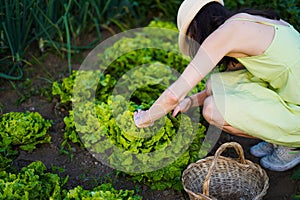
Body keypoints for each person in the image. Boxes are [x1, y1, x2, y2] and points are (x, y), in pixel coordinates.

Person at [133, 0, 300, 172]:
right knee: (215, 83)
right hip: (290, 93)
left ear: (196, 29)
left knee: (212, 110)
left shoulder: (223, 36)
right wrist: (189, 102)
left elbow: (174, 95)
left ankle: (292, 144)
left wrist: (145, 118)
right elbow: (234, 81)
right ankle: (279, 135)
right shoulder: (244, 22)